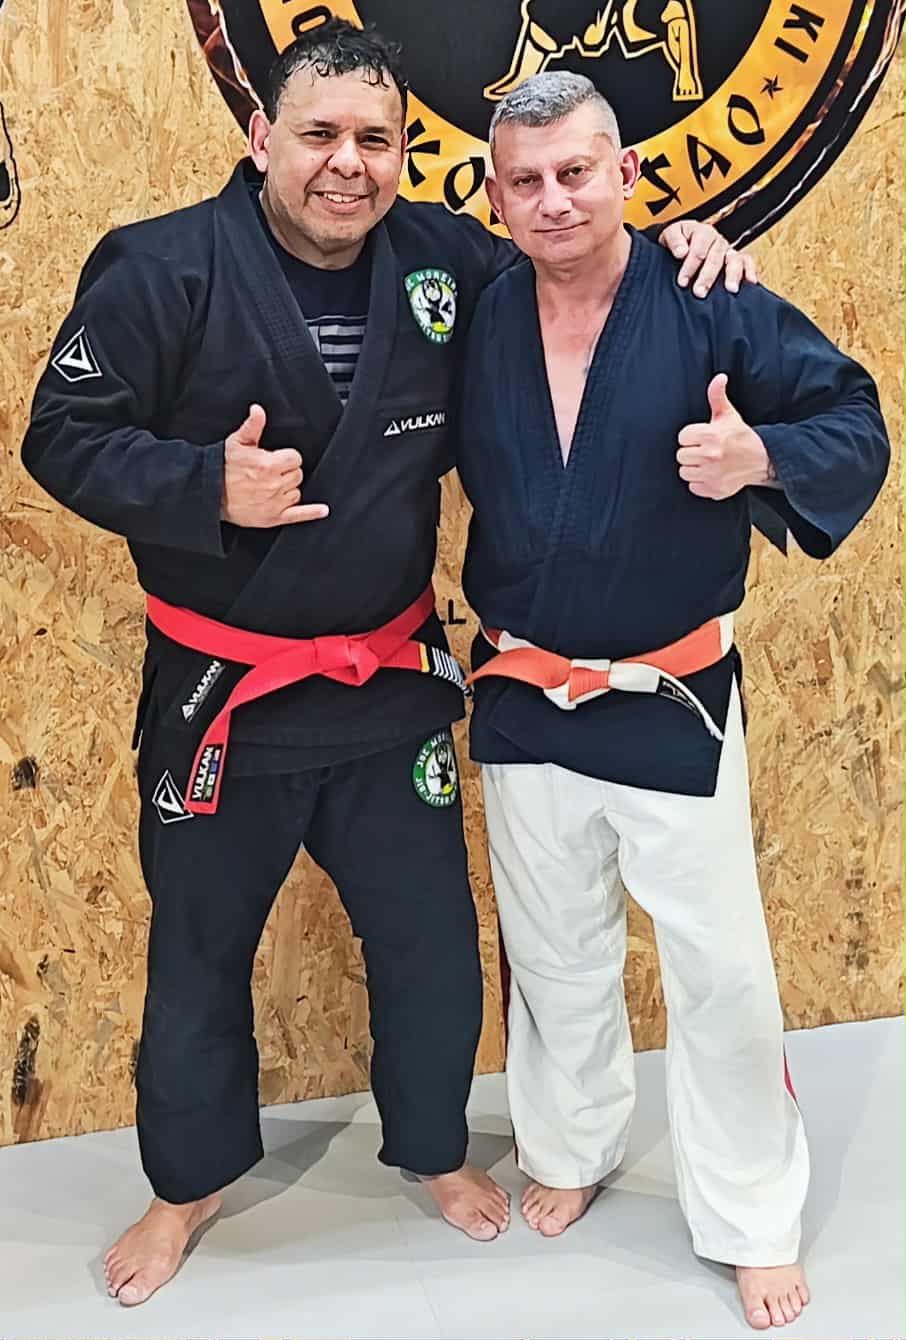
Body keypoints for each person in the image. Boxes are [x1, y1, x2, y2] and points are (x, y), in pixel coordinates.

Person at [21, 19, 753, 1308]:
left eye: (376, 139)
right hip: (224, 700)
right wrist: (201, 484)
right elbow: (60, 434)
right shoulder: (160, 266)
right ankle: (183, 1187)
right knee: (198, 954)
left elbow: (577, 262)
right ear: (262, 137)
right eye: (318, 134)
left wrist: (687, 250)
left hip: (391, 685)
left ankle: (430, 1148)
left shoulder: (446, 259)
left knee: (430, 952)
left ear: (407, 152)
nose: (347, 163)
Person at [456, 72, 888, 1331]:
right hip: (526, 686)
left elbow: (854, 414)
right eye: (527, 180)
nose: (554, 199)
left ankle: (752, 1214)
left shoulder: (709, 297)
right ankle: (572, 1143)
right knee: (555, 952)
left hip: (672, 688)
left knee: (719, 972)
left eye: (577, 171)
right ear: (496, 197)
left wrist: (764, 456)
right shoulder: (476, 310)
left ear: (629, 174)